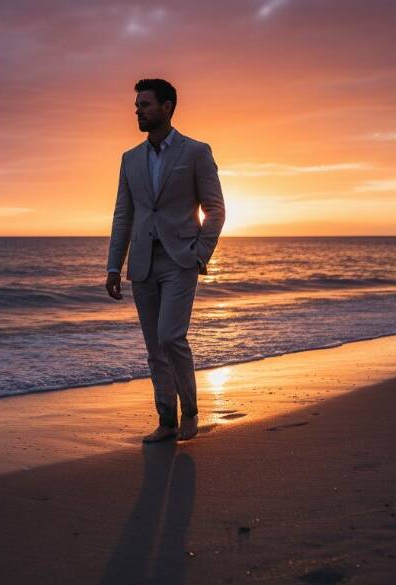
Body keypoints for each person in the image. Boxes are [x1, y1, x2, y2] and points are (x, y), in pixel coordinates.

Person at [105, 78, 225, 443]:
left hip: (179, 260)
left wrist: (200, 254)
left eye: (144, 104)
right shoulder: (130, 159)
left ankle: (189, 412)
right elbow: (123, 214)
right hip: (141, 263)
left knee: (171, 337)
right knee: (154, 348)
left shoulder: (196, 152)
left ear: (167, 106)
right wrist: (114, 265)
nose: (137, 111)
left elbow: (215, 209)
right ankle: (166, 421)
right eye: (137, 105)